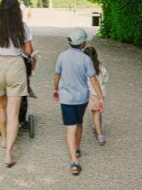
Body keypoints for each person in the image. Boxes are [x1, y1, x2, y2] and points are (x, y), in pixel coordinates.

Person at [0, 0, 34, 167]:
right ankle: (8, 153)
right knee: (13, 113)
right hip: (16, 66)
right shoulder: (22, 26)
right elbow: (28, 50)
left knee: (1, 106)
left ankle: (4, 138)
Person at [53, 29, 105, 176]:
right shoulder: (86, 59)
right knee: (79, 123)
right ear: (82, 43)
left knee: (70, 127)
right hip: (82, 97)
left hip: (66, 97)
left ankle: (74, 162)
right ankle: (76, 148)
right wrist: (100, 97)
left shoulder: (62, 56)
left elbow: (57, 75)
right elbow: (93, 80)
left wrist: (55, 89)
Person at [83, 46, 109, 145]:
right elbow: (106, 78)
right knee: (98, 111)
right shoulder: (101, 66)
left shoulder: (85, 67)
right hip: (101, 93)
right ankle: (98, 129)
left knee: (94, 113)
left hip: (92, 93)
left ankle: (99, 133)